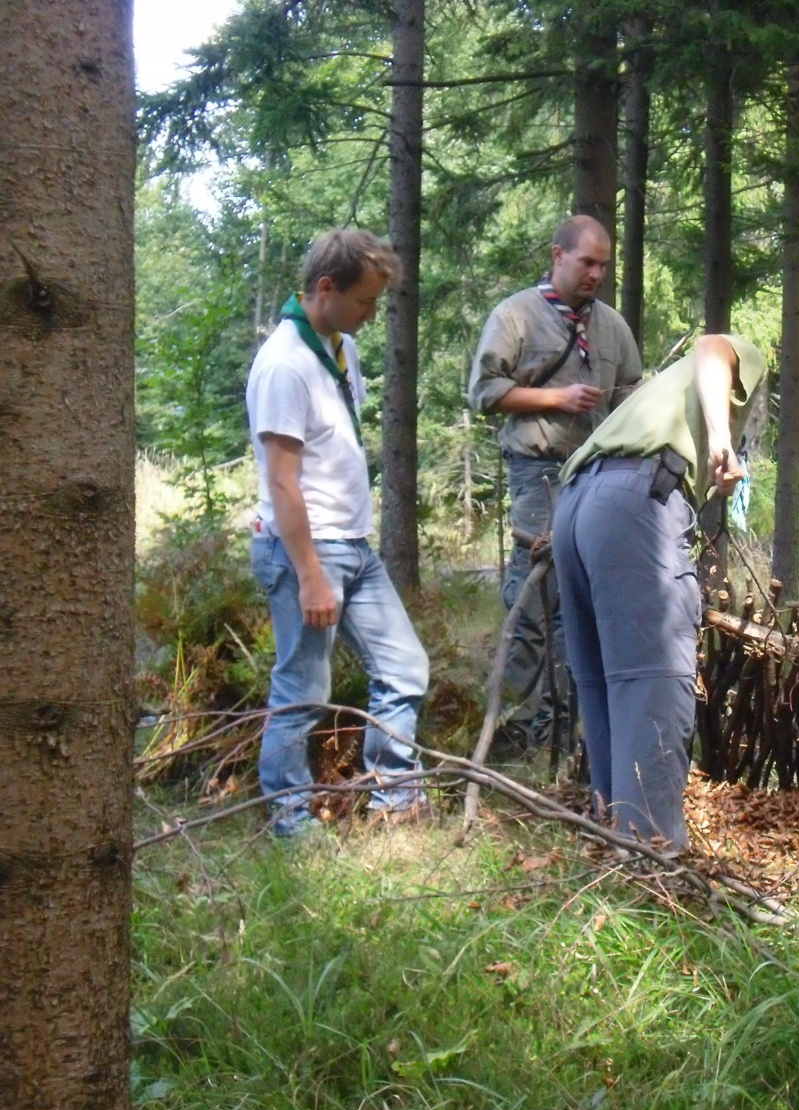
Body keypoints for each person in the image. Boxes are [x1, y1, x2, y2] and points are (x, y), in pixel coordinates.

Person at [552, 334, 768, 854]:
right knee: (652, 684)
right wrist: (721, 436)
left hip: (577, 505)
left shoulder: (659, 396)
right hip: (636, 499)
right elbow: (714, 344)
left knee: (605, 686)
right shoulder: (745, 358)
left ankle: (612, 858)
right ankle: (653, 871)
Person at [246, 229, 430, 836]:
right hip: (310, 551)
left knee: (403, 668)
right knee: (302, 689)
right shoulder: (284, 364)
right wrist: (308, 575)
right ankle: (290, 821)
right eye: (366, 302)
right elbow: (282, 482)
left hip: (353, 545)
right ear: (326, 289)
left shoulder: (339, 348)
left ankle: (394, 803)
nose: (373, 315)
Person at [468, 216, 644, 751]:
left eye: (604, 265)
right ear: (557, 255)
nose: (596, 273)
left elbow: (633, 396)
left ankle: (565, 733)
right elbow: (483, 392)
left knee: (578, 606)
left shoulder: (611, 326)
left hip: (597, 478)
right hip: (537, 474)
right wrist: (556, 399)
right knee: (533, 596)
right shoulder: (517, 315)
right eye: (587, 262)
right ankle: (515, 732)